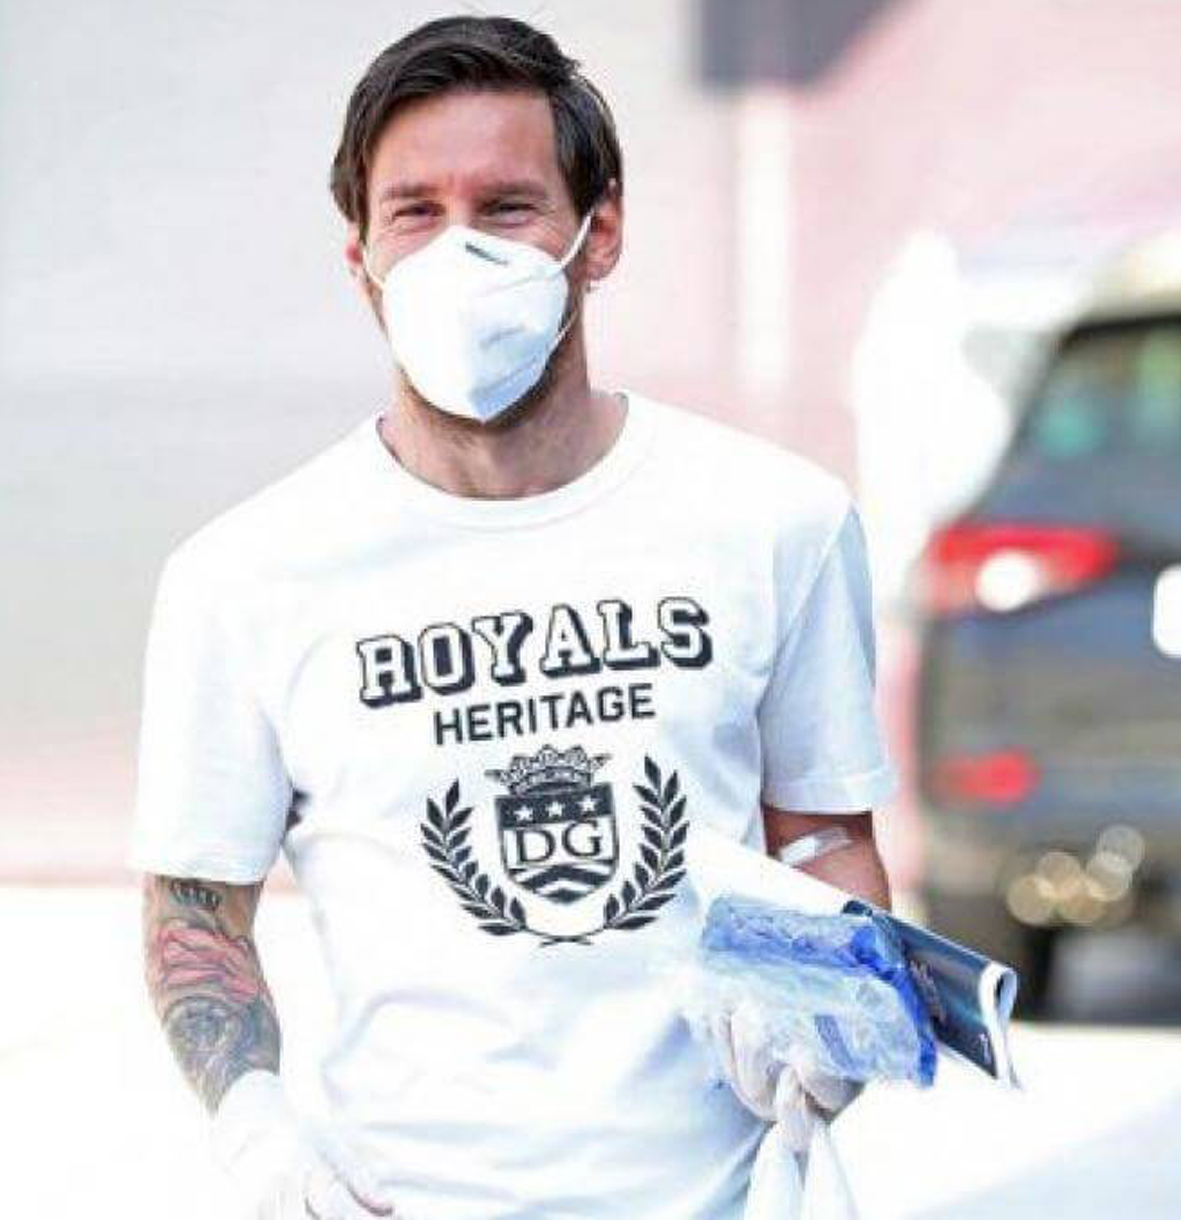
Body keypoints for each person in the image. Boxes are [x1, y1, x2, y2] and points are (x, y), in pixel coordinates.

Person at [128, 15, 898, 1220]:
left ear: (600, 233)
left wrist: (827, 1008)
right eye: (415, 212)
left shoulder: (772, 520)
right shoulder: (245, 575)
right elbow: (194, 906)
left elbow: (823, 836)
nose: (459, 250)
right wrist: (255, 1126)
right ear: (360, 255)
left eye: (507, 207)